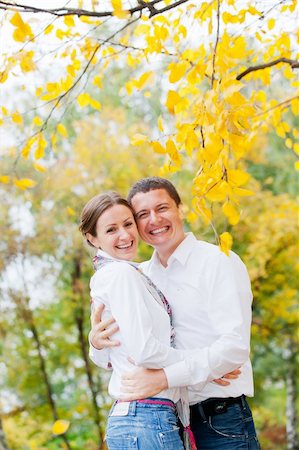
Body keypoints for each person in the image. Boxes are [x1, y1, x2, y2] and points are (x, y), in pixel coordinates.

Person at [89, 177, 261, 450]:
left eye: (162, 208)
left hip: (221, 418)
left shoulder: (218, 261)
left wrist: (166, 377)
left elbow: (234, 348)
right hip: (169, 419)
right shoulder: (139, 276)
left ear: (180, 209)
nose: (154, 220)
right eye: (142, 214)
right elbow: (115, 355)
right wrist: (96, 343)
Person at [80, 191, 204, 449]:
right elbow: (145, 351)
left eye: (128, 224)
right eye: (111, 230)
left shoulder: (129, 273)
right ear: (93, 238)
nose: (125, 235)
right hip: (146, 418)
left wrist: (96, 343)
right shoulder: (120, 275)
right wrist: (204, 361)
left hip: (141, 419)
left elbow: (105, 358)